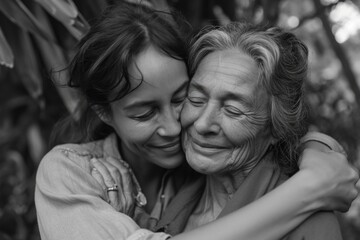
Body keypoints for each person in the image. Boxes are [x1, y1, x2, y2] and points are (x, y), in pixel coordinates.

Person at [35, 2, 359, 240]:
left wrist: (317, 150)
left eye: (181, 98)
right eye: (144, 113)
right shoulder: (74, 174)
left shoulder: (200, 162)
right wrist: (311, 187)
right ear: (105, 112)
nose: (179, 127)